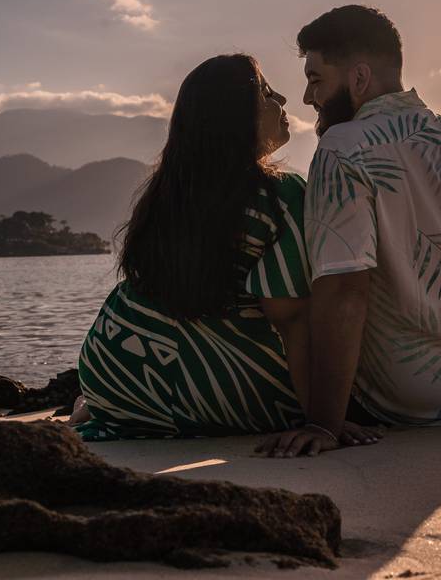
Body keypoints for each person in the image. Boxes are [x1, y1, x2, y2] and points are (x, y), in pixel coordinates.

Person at [258, 5, 441, 457]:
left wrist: (323, 423)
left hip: (421, 401)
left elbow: (344, 291)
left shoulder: (342, 148)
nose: (306, 98)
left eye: (316, 79)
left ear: (358, 79)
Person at [69, 53, 380, 449]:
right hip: (215, 390)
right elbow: (292, 319)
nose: (282, 99)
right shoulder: (279, 195)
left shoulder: (168, 193)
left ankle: (99, 407)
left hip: (114, 370)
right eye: (267, 92)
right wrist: (324, 422)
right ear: (235, 115)